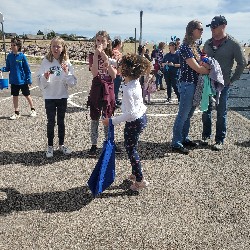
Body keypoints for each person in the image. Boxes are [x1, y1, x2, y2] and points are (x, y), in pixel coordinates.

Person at [102, 53, 151, 191]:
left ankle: (140, 180)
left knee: (131, 150)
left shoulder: (129, 89)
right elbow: (117, 63)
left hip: (134, 121)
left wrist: (111, 121)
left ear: (126, 70)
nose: (118, 66)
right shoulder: (134, 80)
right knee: (132, 147)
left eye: (120, 65)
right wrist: (107, 59)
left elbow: (129, 114)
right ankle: (136, 174)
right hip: (141, 118)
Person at [202, 15, 246, 150]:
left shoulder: (233, 44)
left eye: (215, 27)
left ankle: (219, 139)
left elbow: (242, 63)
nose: (212, 30)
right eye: (211, 27)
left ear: (223, 26)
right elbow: (202, 56)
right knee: (206, 110)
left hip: (223, 85)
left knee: (221, 112)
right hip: (207, 83)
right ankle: (206, 136)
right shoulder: (208, 43)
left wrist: (232, 80)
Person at [171, 20, 210, 154]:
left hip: (193, 84)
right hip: (187, 84)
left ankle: (184, 137)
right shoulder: (185, 47)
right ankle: (176, 142)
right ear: (192, 30)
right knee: (183, 114)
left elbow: (201, 63)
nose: (202, 31)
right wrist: (211, 70)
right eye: (200, 29)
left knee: (189, 114)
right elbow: (198, 68)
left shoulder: (194, 46)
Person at [37, 37, 77, 158]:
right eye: (53, 46)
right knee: (51, 122)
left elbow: (73, 82)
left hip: (62, 96)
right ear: (50, 47)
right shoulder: (46, 61)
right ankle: (50, 146)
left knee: (61, 122)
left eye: (58, 46)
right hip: (49, 96)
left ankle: (61, 145)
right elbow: (40, 81)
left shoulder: (67, 62)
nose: (55, 48)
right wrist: (45, 77)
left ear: (63, 48)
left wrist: (67, 72)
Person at [87, 30, 117, 157]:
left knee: (107, 115)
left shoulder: (112, 56)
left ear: (107, 42)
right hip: (97, 86)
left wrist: (105, 57)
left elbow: (114, 75)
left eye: (102, 41)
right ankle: (94, 145)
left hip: (108, 88)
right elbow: (94, 73)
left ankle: (109, 142)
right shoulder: (91, 55)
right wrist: (96, 55)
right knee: (95, 116)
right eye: (97, 40)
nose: (100, 43)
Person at [0, 37, 36, 120]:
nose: (12, 46)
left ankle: (33, 109)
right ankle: (16, 112)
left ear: (18, 46)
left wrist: (29, 80)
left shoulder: (22, 56)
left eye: (14, 45)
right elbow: (7, 68)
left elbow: (27, 69)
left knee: (27, 95)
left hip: (22, 81)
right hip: (13, 80)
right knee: (15, 96)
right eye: (11, 45)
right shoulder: (9, 56)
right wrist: (1, 69)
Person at [112, 38, 123, 107]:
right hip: (117, 72)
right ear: (118, 44)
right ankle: (114, 101)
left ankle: (115, 99)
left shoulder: (112, 51)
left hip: (112, 72)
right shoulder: (117, 53)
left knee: (115, 87)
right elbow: (119, 63)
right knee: (116, 87)